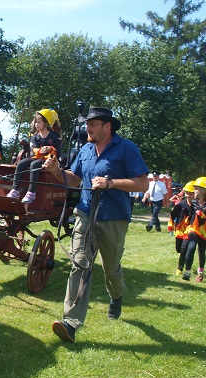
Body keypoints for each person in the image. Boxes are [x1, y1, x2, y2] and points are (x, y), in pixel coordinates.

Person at [42, 107, 149, 343]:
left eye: (92, 124)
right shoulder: (86, 150)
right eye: (86, 124)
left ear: (107, 126)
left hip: (114, 217)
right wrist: (56, 171)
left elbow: (142, 185)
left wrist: (110, 183)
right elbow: (74, 179)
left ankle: (117, 295)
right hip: (86, 213)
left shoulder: (126, 148)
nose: (87, 129)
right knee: (79, 264)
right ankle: (70, 322)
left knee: (111, 268)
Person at [6, 109, 61, 203]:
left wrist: (50, 149)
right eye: (36, 122)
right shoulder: (35, 136)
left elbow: (58, 152)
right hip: (36, 157)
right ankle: (15, 189)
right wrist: (39, 151)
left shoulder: (54, 136)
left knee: (34, 165)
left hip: (48, 160)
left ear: (46, 123)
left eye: (39, 122)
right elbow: (32, 150)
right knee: (21, 163)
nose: (36, 124)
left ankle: (31, 192)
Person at [181, 177, 206, 282]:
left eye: (196, 188)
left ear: (203, 191)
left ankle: (200, 272)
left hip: (204, 231)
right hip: (193, 229)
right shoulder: (194, 203)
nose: (194, 190)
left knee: (202, 251)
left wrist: (203, 215)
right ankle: (187, 271)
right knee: (190, 248)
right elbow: (191, 214)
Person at [170, 181, 196, 275]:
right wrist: (172, 226)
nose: (189, 196)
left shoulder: (195, 206)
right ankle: (184, 261)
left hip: (190, 230)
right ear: (185, 193)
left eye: (191, 193)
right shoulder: (180, 205)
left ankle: (180, 268)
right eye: (188, 193)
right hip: (180, 230)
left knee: (184, 249)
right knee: (179, 249)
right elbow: (172, 215)